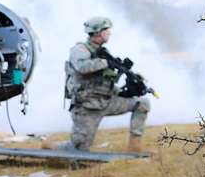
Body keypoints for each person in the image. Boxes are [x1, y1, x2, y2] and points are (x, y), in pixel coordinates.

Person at [59, 16, 150, 152]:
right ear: (98, 32)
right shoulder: (80, 50)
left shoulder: (103, 52)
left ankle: (134, 148)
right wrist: (106, 63)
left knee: (142, 103)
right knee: (78, 150)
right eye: (106, 30)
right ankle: (53, 147)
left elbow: (103, 82)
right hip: (87, 107)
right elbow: (81, 67)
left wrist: (123, 91)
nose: (109, 33)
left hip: (106, 101)